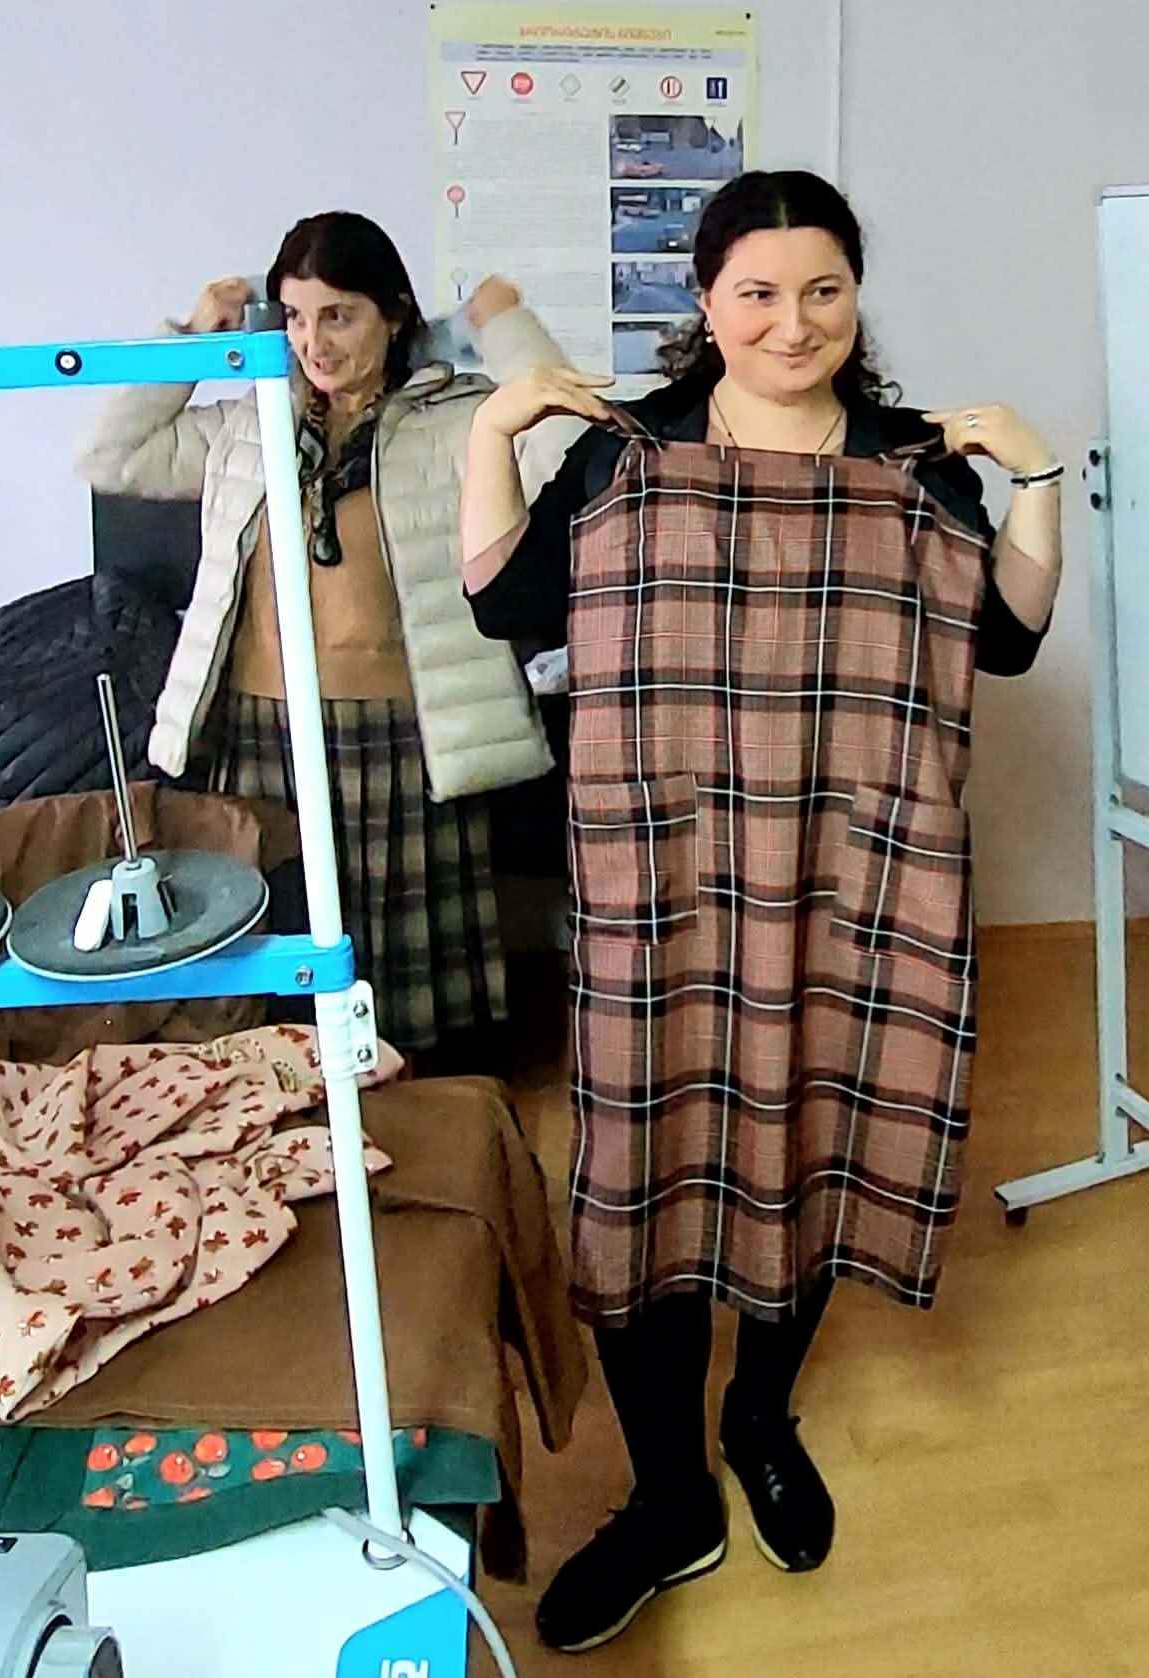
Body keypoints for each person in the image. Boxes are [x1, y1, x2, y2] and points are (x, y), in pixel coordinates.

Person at [460, 170, 1061, 1653]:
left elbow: (1003, 638)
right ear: (705, 301)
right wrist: (487, 434)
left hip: (853, 881)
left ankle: (759, 1417)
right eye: (757, 293)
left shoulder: (914, 464)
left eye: (821, 291)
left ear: (854, 297)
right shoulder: (630, 452)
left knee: (810, 1141)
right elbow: (506, 602)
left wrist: (1039, 480)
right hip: (660, 885)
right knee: (642, 1169)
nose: (791, 323)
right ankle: (668, 1494)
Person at [79, 212, 576, 1064]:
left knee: (404, 1006)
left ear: (394, 314)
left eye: (338, 315)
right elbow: (110, 455)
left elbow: (566, 442)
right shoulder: (249, 426)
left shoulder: (462, 421)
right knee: (271, 968)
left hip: (404, 736)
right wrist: (191, 338)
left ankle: (413, 1121)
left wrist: (503, 323)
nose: (314, 341)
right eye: (295, 317)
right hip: (258, 731)